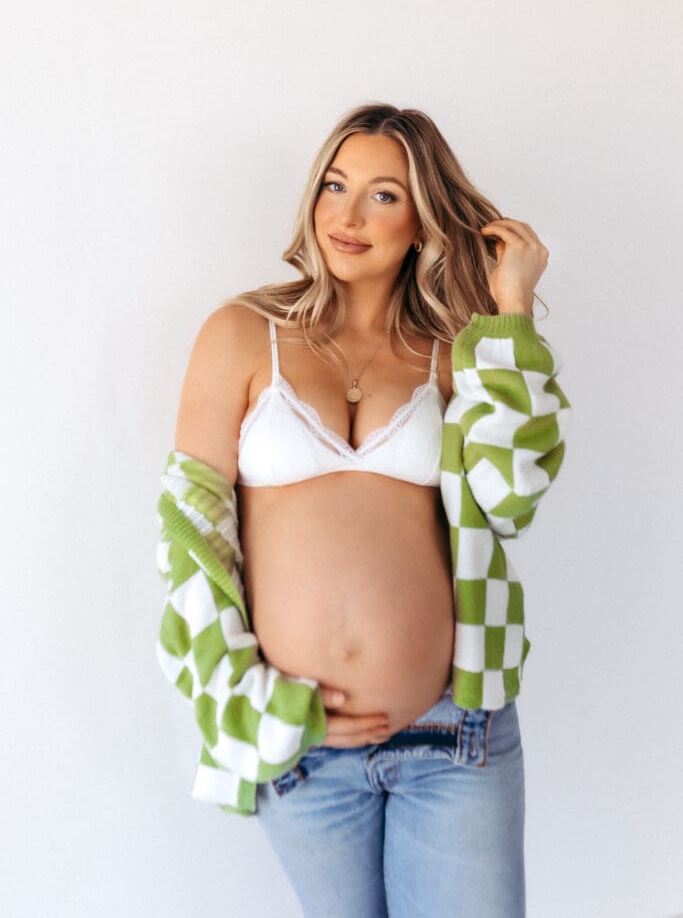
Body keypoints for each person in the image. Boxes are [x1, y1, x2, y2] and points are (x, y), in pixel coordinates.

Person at [155, 103, 571, 918]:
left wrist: (509, 308)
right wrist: (252, 698)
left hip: (455, 735)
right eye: (334, 186)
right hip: (304, 746)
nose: (347, 216)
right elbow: (191, 537)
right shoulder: (242, 333)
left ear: (422, 219)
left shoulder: (456, 349)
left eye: (383, 195)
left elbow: (511, 493)